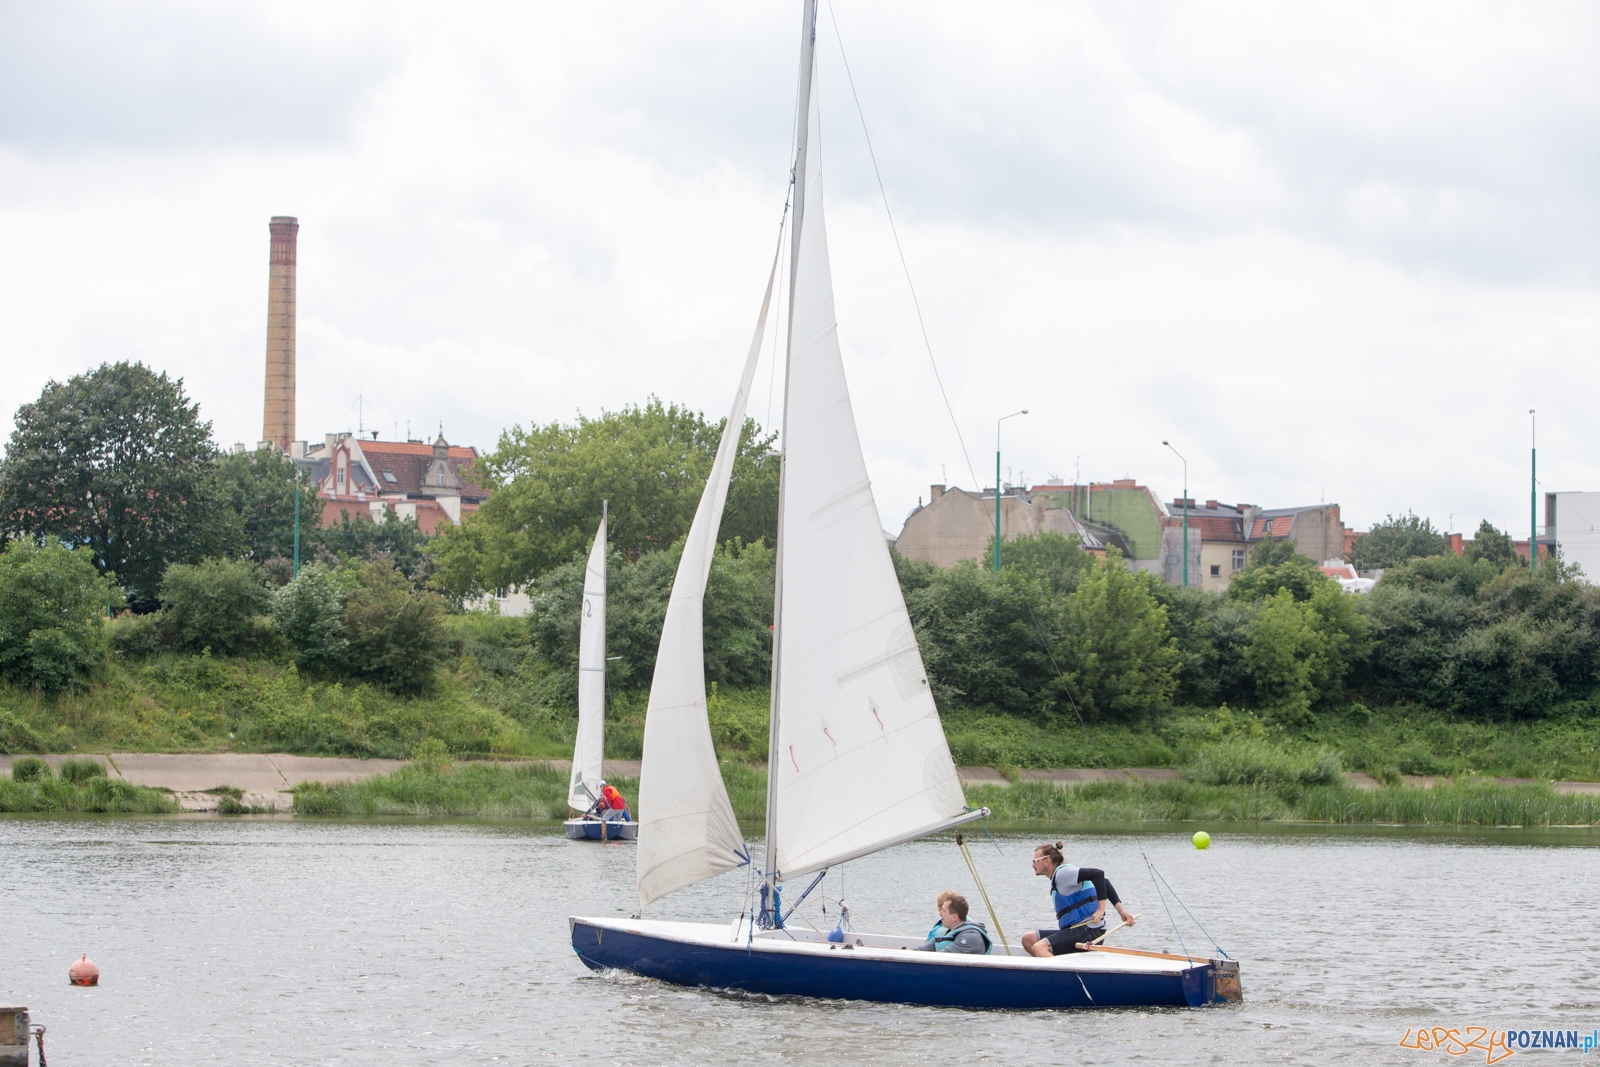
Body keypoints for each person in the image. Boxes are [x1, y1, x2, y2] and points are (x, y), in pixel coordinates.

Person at [1020, 841, 1135, 958]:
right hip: (1077, 929)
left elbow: (1098, 874)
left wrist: (1101, 909)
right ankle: (1055, 965)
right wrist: (1122, 912)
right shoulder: (1060, 875)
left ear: (1047, 861)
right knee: (1028, 939)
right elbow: (1105, 882)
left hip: (1089, 931)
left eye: (1035, 861)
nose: (1033, 865)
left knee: (1039, 947)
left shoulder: (1062, 874)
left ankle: (1061, 974)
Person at [914, 892, 991, 955]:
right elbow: (921, 950)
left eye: (943, 911)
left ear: (954, 917)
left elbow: (942, 956)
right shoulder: (945, 932)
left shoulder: (970, 937)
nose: (940, 914)